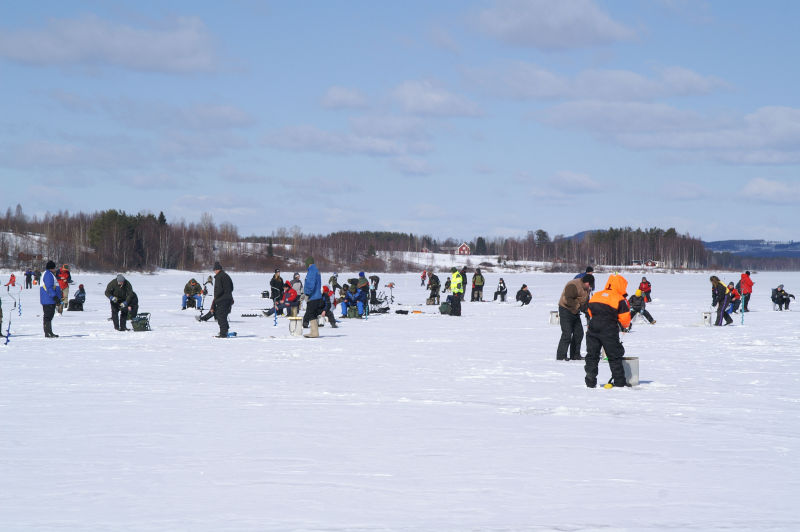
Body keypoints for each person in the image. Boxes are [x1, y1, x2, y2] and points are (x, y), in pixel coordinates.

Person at [584, 274, 632, 388]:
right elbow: (625, 319)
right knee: (614, 356)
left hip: (593, 327)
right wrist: (624, 326)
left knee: (592, 355)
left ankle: (590, 381)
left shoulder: (597, 295)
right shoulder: (619, 298)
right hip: (609, 329)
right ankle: (620, 382)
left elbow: (589, 311)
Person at [556, 274, 594, 361]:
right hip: (565, 309)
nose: (590, 287)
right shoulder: (573, 285)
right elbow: (567, 299)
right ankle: (561, 357)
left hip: (575, 312)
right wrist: (578, 306)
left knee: (579, 333)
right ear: (586, 282)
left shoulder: (587, 288)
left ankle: (575, 355)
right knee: (567, 333)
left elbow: (584, 302)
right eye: (589, 285)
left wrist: (587, 311)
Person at [208, 262, 234, 337]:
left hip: (222, 299)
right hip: (228, 298)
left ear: (217, 269)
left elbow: (219, 289)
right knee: (223, 315)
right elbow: (232, 288)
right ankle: (225, 330)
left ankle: (223, 333)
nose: (214, 271)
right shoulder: (226, 275)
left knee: (220, 316)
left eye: (214, 270)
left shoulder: (219, 277)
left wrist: (217, 297)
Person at [40, 261, 62, 338]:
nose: (55, 269)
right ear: (51, 268)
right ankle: (47, 333)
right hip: (48, 299)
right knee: (48, 316)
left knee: (49, 316)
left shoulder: (49, 274)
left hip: (49, 299)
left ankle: (49, 332)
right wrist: (55, 297)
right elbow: (49, 288)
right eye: (54, 268)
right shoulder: (48, 275)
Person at [302, 257, 323, 336]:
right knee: (313, 313)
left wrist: (307, 293)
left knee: (310, 313)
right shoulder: (316, 270)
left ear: (308, 263)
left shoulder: (311, 271)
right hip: (317, 295)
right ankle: (314, 332)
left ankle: (314, 332)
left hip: (312, 296)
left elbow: (310, 284)